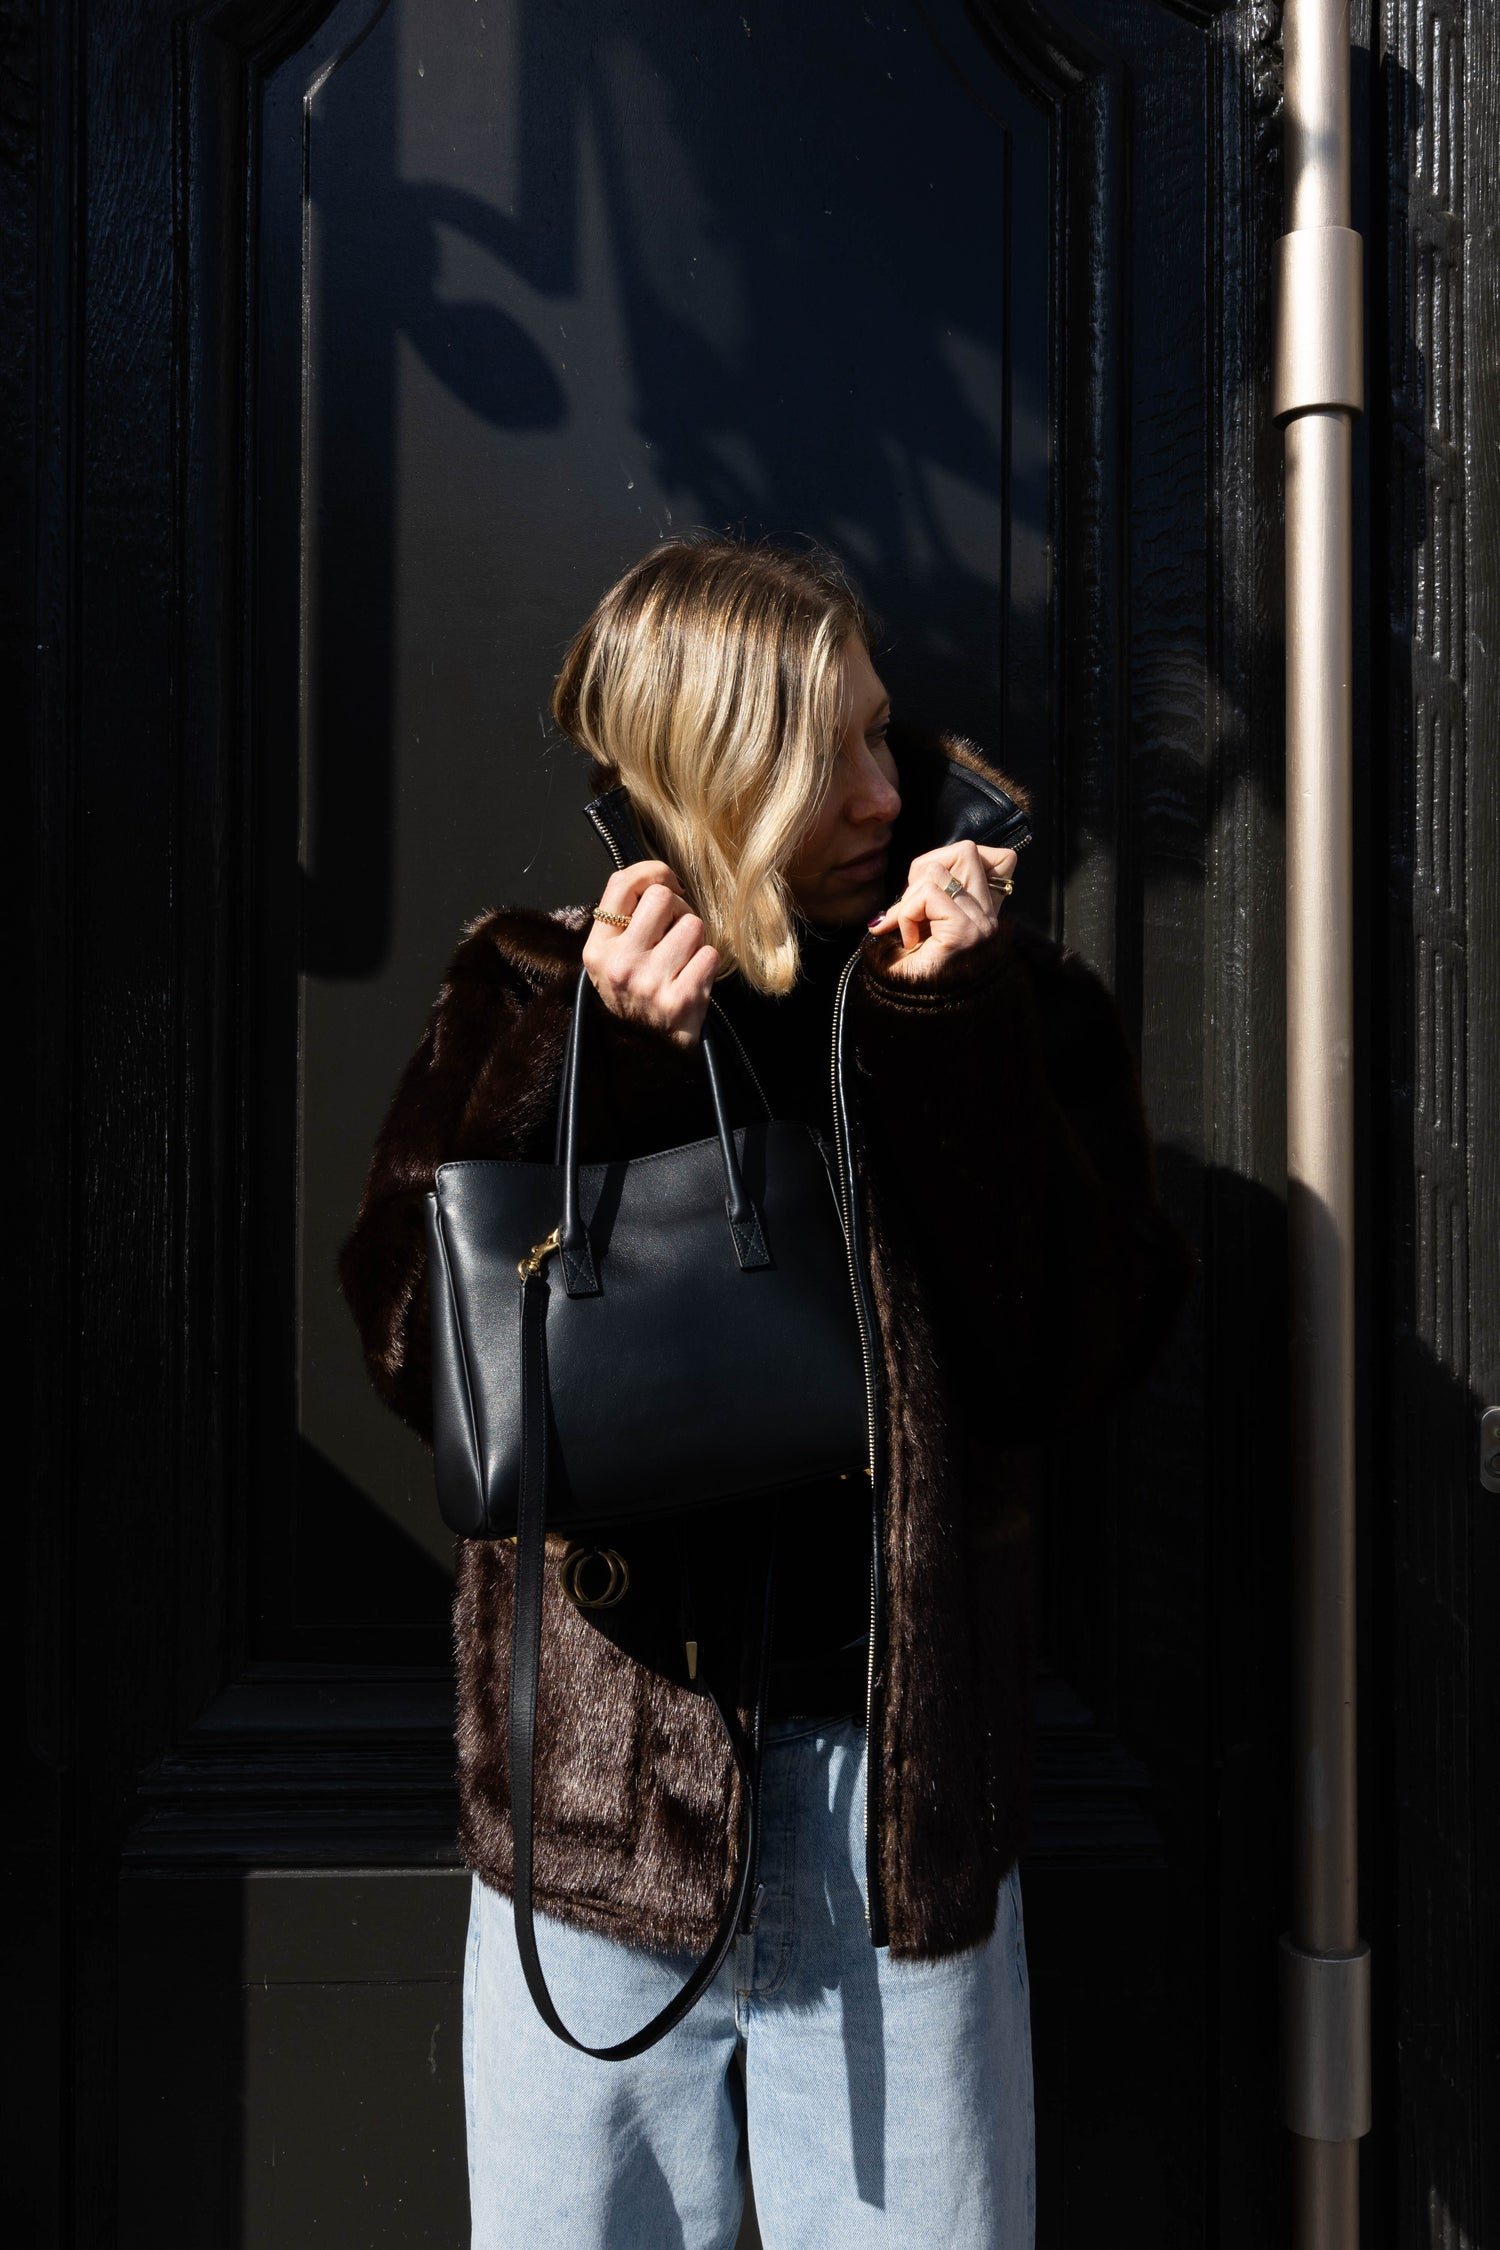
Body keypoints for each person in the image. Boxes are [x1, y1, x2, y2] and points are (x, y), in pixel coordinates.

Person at [339, 535, 1194, 2249]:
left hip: (895, 1825)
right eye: (832, 751)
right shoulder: (535, 987)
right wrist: (602, 1071)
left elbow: (1079, 1352)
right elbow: (423, 1360)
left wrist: (955, 1038)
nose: (887, 787)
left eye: (882, 731)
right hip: (601, 1825)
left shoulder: (992, 990)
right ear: (716, 766)